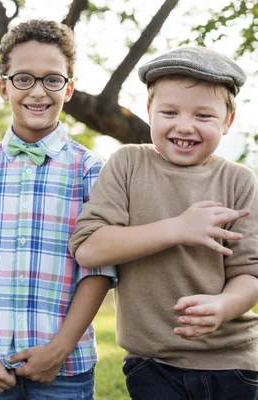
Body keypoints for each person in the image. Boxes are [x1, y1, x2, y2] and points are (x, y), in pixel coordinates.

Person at [69, 46, 258, 399]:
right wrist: (177, 229)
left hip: (232, 361)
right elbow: (89, 248)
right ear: (150, 112)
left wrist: (224, 306)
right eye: (169, 112)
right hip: (152, 362)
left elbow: (250, 272)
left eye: (204, 116)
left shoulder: (239, 181)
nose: (184, 126)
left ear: (228, 122)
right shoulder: (127, 164)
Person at [0, 19, 117, 399]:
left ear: (69, 88)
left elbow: (99, 270)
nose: (38, 92)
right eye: (24, 79)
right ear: (3, 86)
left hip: (66, 367)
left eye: (52, 80)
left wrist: (57, 352)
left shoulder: (91, 171)